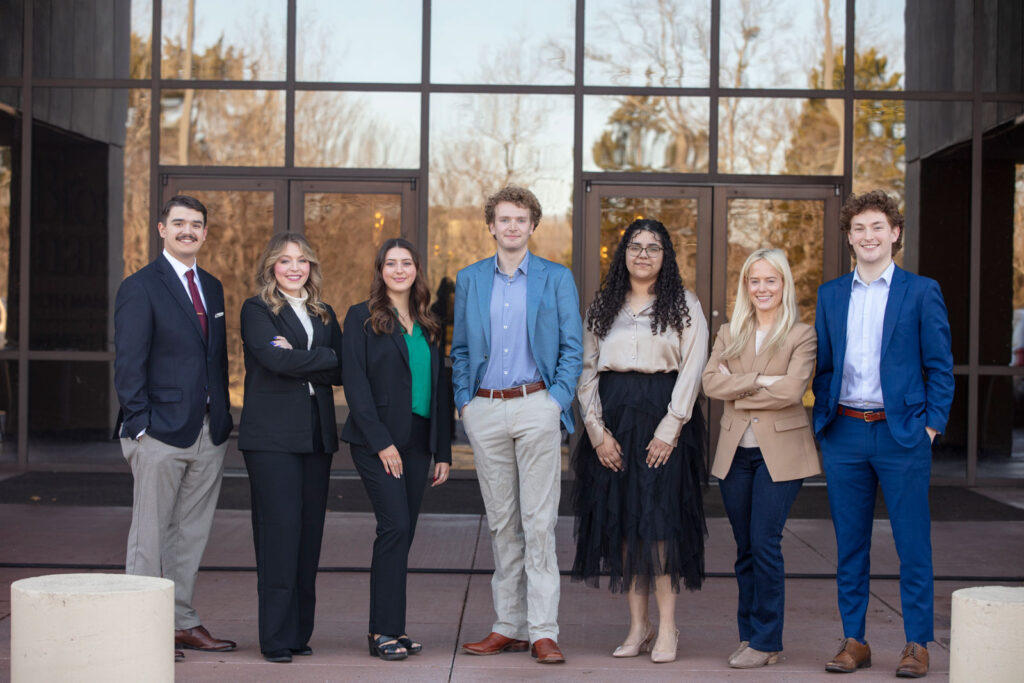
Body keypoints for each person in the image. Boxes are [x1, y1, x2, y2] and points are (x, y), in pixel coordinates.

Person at [813, 191, 954, 679]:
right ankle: (855, 640)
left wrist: (930, 427)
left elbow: (940, 367)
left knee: (913, 545)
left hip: (903, 436)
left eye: (877, 227)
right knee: (850, 546)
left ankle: (917, 643)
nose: (868, 236)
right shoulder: (831, 294)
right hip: (846, 434)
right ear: (849, 238)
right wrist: (825, 425)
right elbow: (825, 367)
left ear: (894, 233)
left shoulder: (921, 291)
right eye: (859, 228)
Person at [452, 186, 583, 664]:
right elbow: (460, 348)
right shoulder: (470, 278)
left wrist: (555, 402)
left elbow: (573, 347)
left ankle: (543, 630)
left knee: (539, 522)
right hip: (485, 409)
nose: (512, 226)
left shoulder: (556, 277)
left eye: (520, 219)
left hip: (536, 407)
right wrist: (465, 403)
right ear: (491, 226)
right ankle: (509, 626)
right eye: (504, 219)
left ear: (532, 226)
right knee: (502, 523)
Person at [571, 218, 708, 664]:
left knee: (661, 525)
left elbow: (693, 368)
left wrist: (671, 427)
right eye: (635, 246)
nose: (643, 254)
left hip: (664, 419)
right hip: (613, 421)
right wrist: (596, 433)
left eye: (653, 247)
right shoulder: (601, 306)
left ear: (666, 256)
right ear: (623, 253)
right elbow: (586, 370)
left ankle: (667, 627)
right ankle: (637, 626)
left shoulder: (685, 304)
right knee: (627, 527)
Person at [113, 195, 236, 662]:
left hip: (208, 431)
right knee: (149, 536)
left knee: (190, 534)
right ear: (161, 228)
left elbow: (215, 360)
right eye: (179, 222)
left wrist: (222, 417)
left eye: (196, 224)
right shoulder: (140, 286)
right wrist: (139, 426)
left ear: (205, 232)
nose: (188, 230)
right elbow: (129, 363)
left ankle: (181, 622)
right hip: (158, 432)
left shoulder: (212, 286)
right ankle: (140, 630)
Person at [702, 248, 820, 669]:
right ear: (745, 286)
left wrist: (739, 385)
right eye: (755, 280)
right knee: (745, 548)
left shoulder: (801, 335)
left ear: (784, 284)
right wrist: (762, 380)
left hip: (780, 455)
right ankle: (749, 636)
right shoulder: (729, 332)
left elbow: (792, 391)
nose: (762, 288)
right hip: (735, 453)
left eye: (771, 280)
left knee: (765, 543)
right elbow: (710, 383)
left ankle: (768, 640)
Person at [341, 238, 452, 662]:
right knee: (394, 528)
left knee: (403, 534)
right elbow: (355, 384)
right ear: (380, 270)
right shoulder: (361, 317)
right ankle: (381, 630)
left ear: (416, 270)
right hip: (378, 443)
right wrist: (381, 442)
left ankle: (394, 627)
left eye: (407, 263)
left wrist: (443, 451)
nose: (399, 270)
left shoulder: (428, 322)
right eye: (391, 263)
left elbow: (439, 389)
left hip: (419, 442)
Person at [238, 233, 343, 663]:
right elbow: (274, 361)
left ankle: (299, 632)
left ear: (311, 266)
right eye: (285, 261)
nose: (294, 268)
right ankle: (276, 638)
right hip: (272, 439)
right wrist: (319, 356)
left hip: (316, 436)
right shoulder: (257, 309)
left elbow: (341, 367)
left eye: (302, 260)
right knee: (279, 534)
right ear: (271, 267)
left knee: (308, 536)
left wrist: (299, 356)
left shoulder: (323, 312)